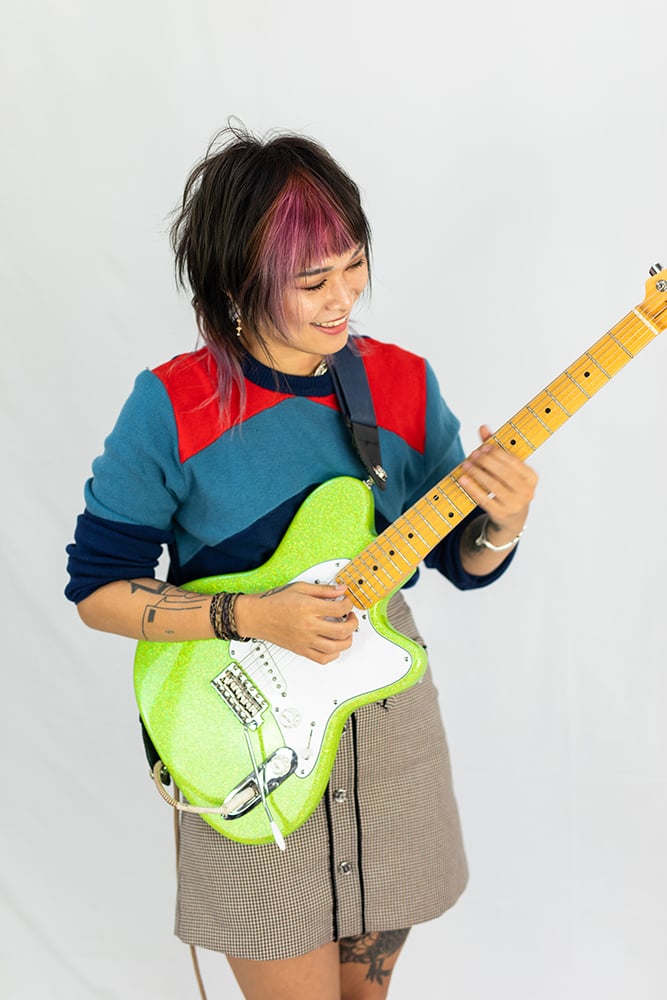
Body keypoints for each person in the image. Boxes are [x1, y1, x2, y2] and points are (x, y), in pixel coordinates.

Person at [65, 125, 537, 1000]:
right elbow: (97, 590)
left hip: (386, 736)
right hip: (243, 740)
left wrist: (499, 526)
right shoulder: (172, 403)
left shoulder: (397, 382)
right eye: (311, 281)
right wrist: (252, 614)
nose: (342, 299)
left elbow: (454, 560)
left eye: (353, 266)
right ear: (237, 282)